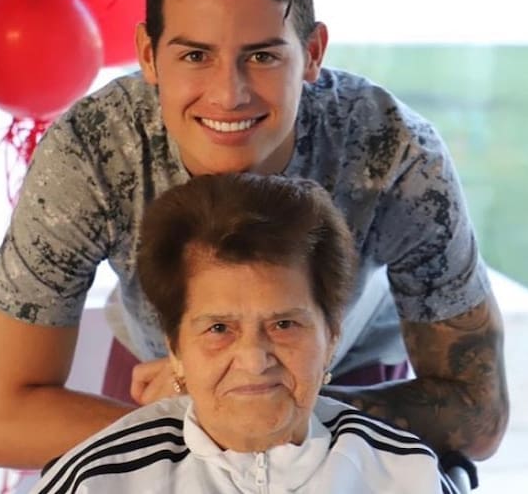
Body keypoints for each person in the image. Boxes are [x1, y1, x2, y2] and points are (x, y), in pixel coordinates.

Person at [0, 0, 508, 471]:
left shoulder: (393, 152)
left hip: (347, 383)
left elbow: (478, 414)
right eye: (195, 55)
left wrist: (261, 414)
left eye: (263, 56)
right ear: (149, 55)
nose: (229, 95)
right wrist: (195, 415)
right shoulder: (93, 150)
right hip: (161, 379)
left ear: (313, 53)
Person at [29, 173, 464, 493]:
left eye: (284, 325)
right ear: (175, 347)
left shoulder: (409, 476)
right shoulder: (97, 480)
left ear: (330, 336)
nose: (255, 360)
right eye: (219, 328)